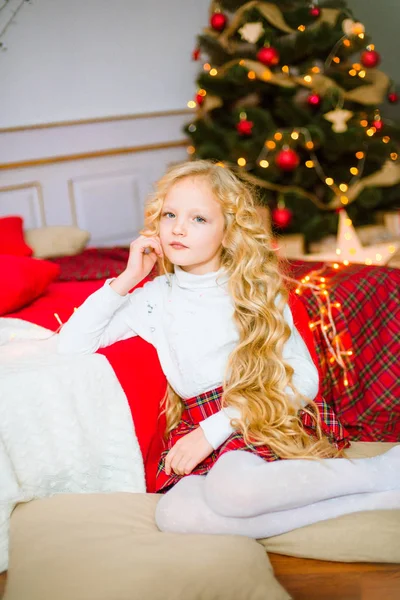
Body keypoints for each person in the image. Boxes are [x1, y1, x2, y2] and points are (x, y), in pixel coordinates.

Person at [58, 160, 400, 538]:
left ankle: (381, 470)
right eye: (170, 214)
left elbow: (305, 380)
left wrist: (215, 429)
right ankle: (377, 498)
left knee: (235, 492)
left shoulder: (255, 289)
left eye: (199, 219)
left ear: (228, 231)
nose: (179, 228)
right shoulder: (154, 298)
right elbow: (72, 345)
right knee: (175, 517)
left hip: (258, 414)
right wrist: (126, 279)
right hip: (199, 423)